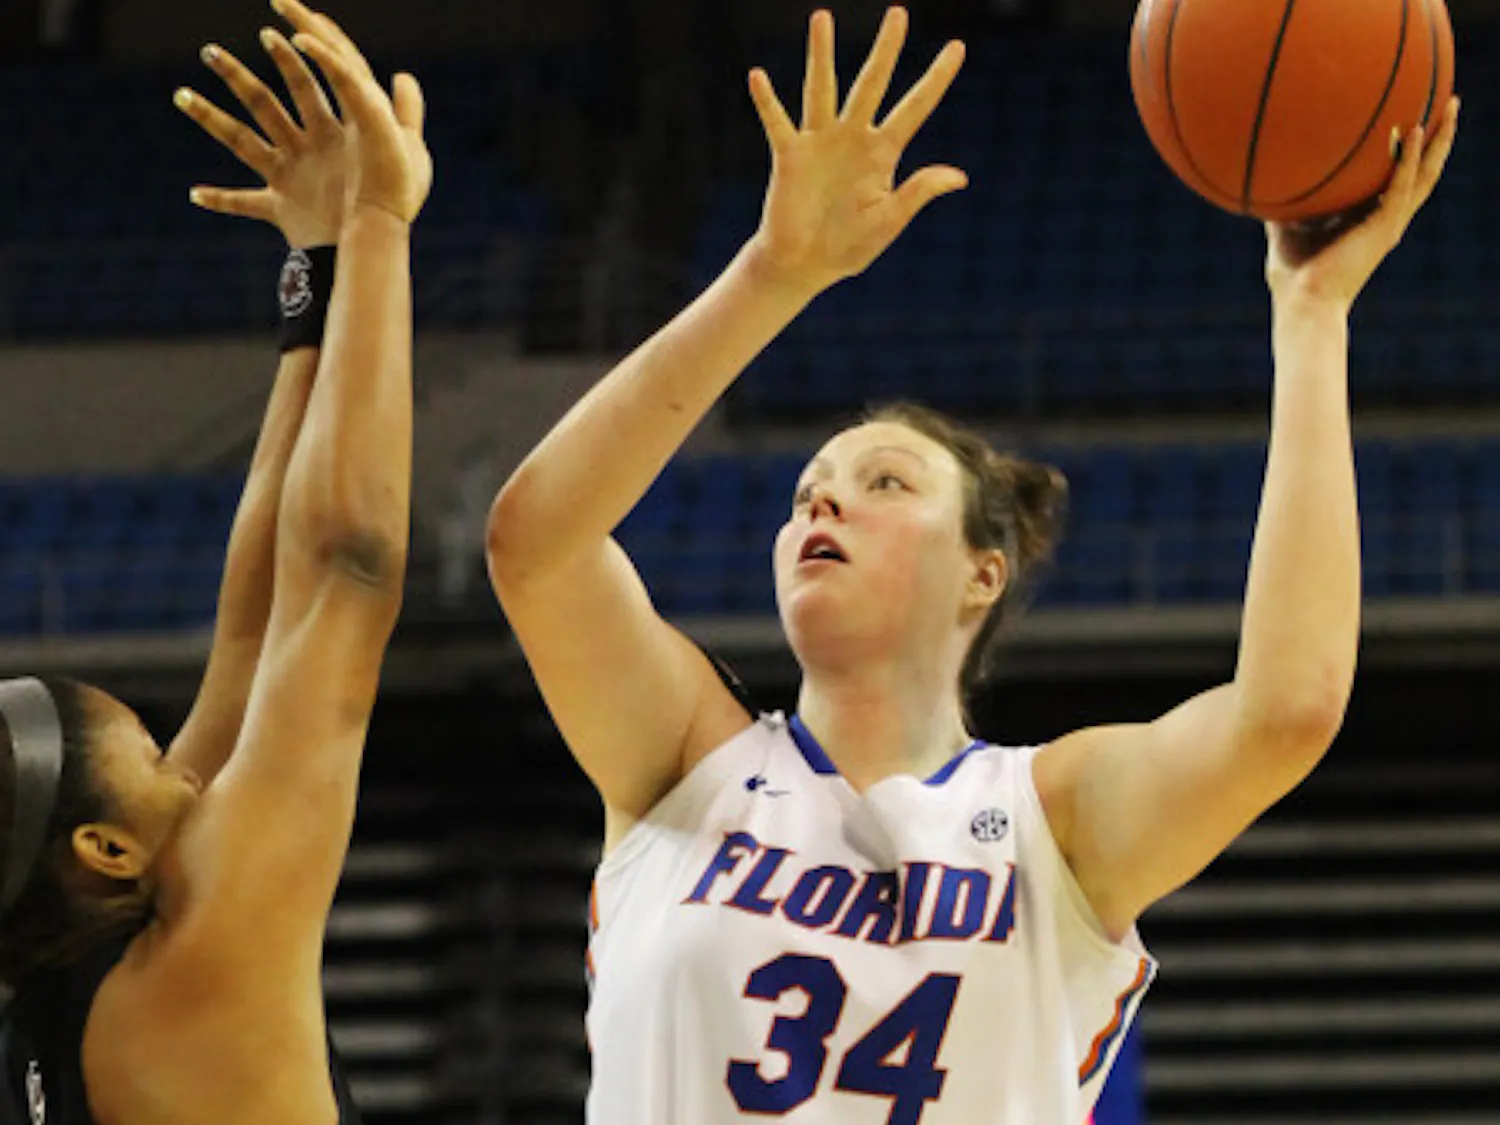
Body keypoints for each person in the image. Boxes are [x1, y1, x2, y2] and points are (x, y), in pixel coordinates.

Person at [485, 7, 1459, 1123]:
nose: (827, 498)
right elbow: (538, 543)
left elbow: (1288, 709)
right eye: (809, 489)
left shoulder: (1054, 822)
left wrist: (1312, 316)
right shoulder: (680, 760)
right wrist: (771, 275)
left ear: (982, 573)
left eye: (885, 482)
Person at [0, 3, 430, 1124]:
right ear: (101, 845)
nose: (185, 758)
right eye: (151, 748)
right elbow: (347, 571)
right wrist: (381, 222)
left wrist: (316, 278)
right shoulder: (199, 960)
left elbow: (251, 632)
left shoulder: (65, 979)